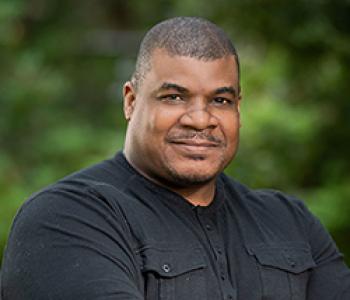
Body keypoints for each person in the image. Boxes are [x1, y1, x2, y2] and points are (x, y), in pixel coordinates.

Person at [1, 16, 349, 300]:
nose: (200, 119)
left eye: (220, 101)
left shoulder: (289, 222)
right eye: (173, 97)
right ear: (131, 101)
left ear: (238, 108)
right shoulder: (66, 218)